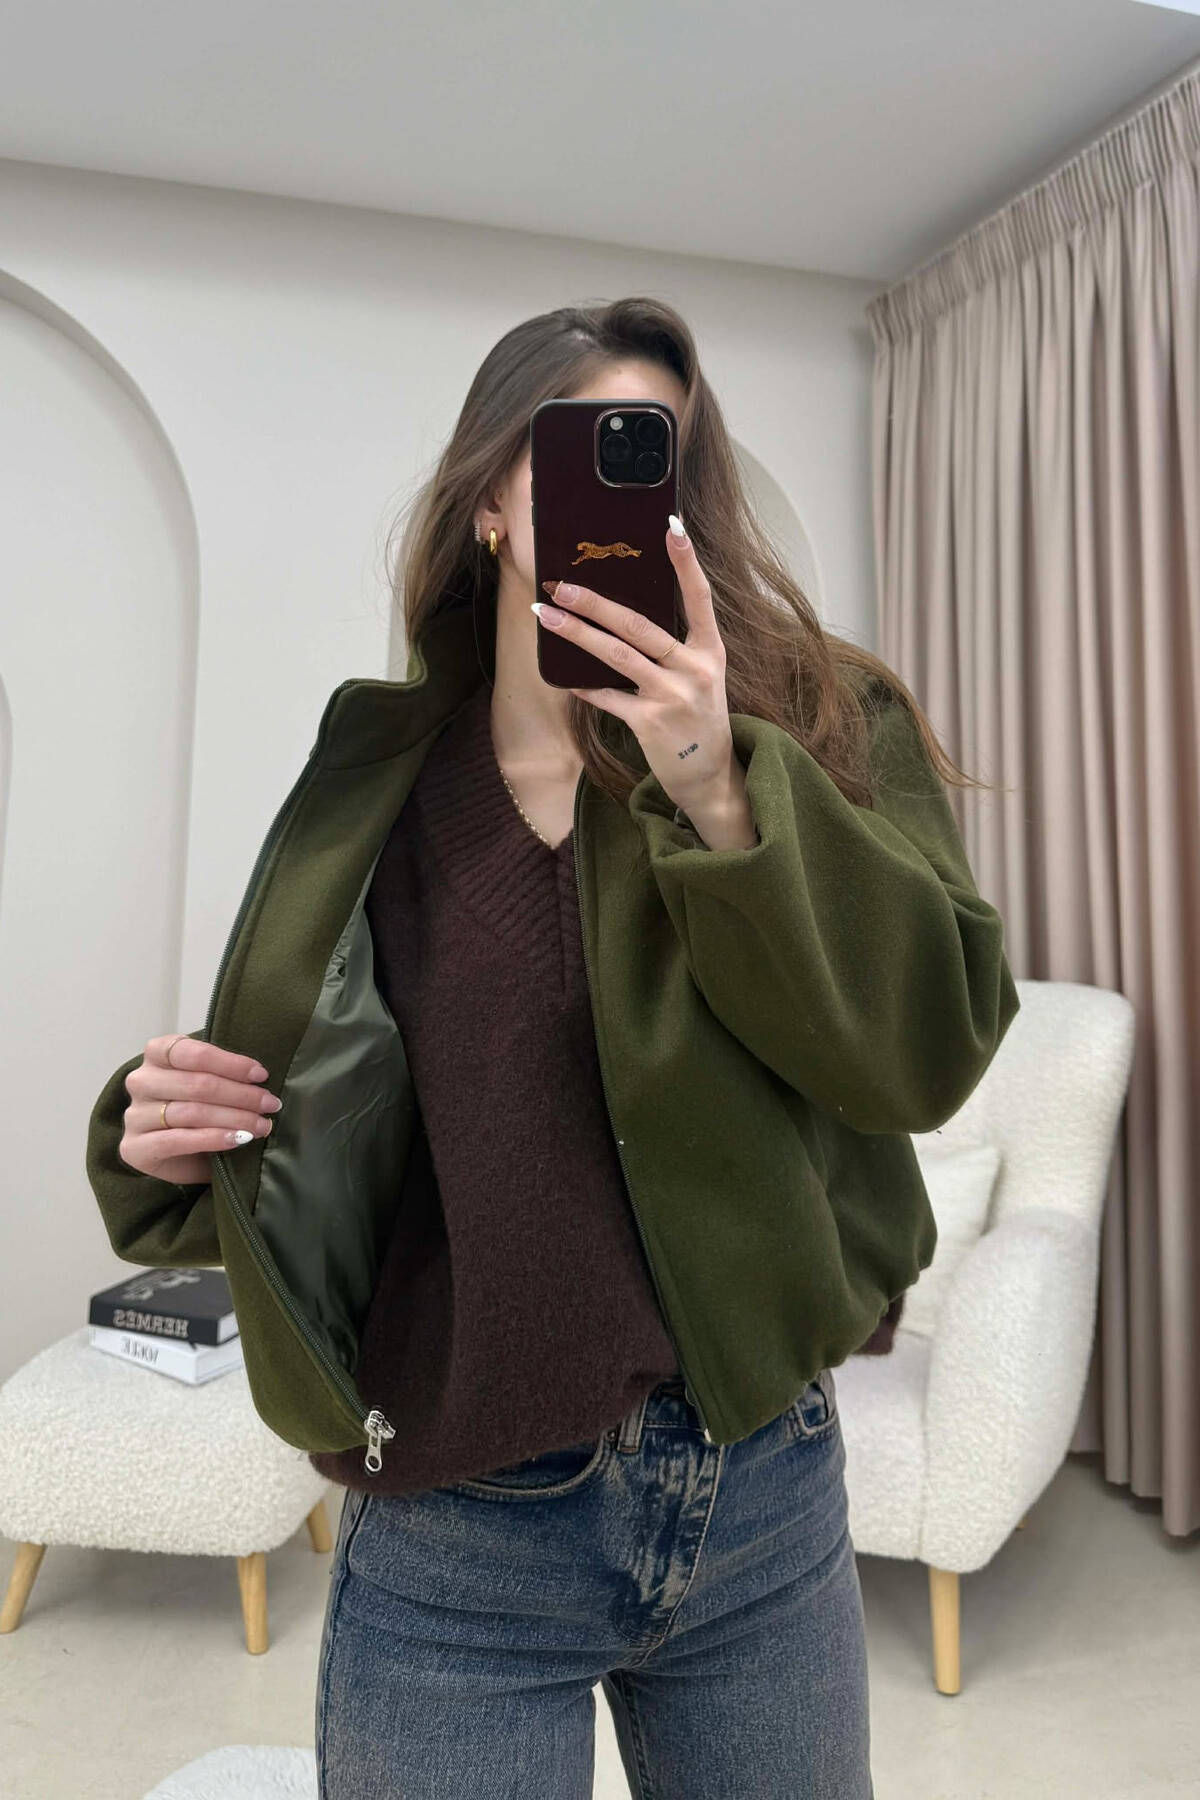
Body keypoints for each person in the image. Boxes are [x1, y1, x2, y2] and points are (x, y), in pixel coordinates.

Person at [90, 296, 1019, 1798]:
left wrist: (717, 785)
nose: (625, 484)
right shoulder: (379, 788)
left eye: (660, 454)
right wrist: (173, 1134)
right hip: (456, 1529)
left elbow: (928, 1052)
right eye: (582, 446)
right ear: (492, 502)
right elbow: (330, 1116)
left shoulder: (822, 726)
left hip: (761, 1497)